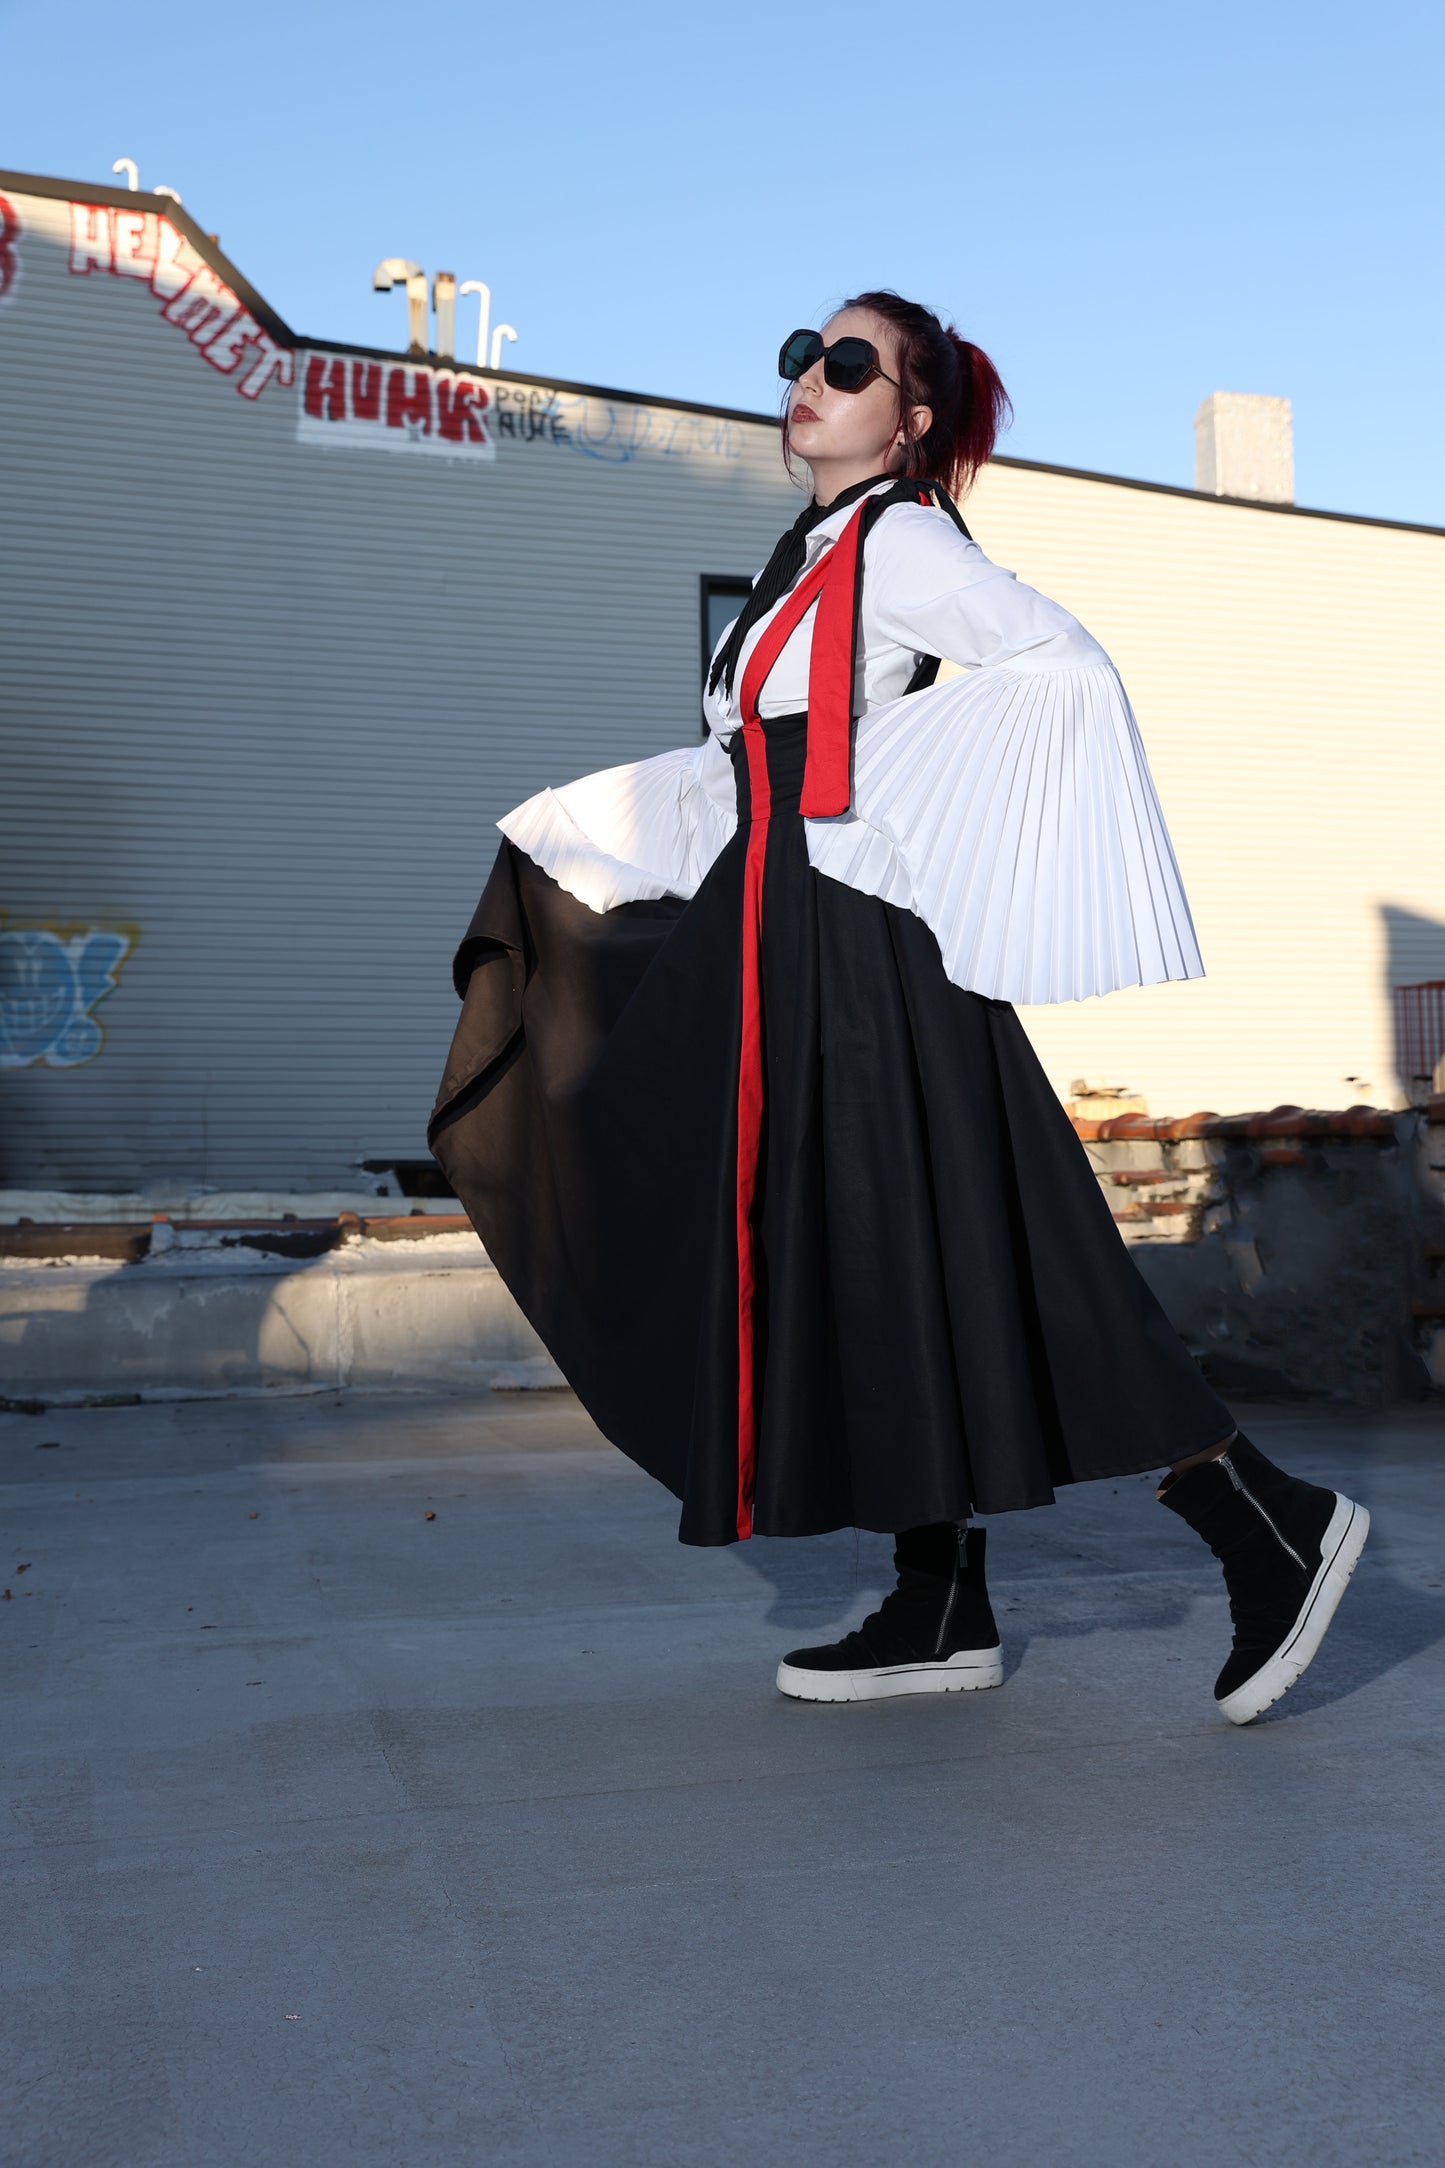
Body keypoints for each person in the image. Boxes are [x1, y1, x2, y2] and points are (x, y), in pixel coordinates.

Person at [430, 290, 1368, 1727]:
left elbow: (1060, 668)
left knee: (989, 1248)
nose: (811, 378)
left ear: (910, 418)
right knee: (868, 1257)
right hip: (788, 949)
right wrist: (590, 827)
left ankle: (1266, 1523)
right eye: (800, 354)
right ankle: (938, 1597)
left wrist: (869, 797)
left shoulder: (902, 540)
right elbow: (749, 768)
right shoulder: (804, 557)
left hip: (860, 959)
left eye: (850, 364)